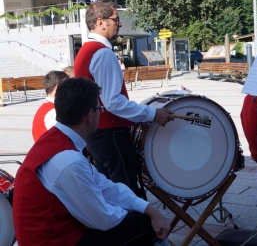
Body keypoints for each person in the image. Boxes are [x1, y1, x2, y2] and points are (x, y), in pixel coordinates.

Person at [13, 77, 170, 246]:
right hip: (53, 241)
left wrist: (148, 208)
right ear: (90, 115)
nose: (101, 112)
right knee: (143, 225)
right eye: (99, 108)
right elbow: (103, 219)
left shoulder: (59, 142)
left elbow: (104, 186)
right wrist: (143, 214)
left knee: (140, 218)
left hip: (61, 233)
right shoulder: (68, 160)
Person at [74, 0, 174, 196]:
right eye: (116, 20)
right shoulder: (102, 53)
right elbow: (113, 102)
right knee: (126, 190)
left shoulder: (85, 51)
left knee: (109, 191)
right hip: (111, 134)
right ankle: (135, 227)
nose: (119, 24)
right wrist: (152, 114)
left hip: (96, 134)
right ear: (101, 22)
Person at [32, 70, 69, 142]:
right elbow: (64, 138)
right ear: (58, 88)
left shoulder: (45, 108)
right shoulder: (54, 112)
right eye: (67, 87)